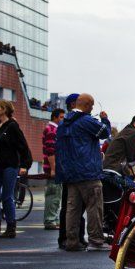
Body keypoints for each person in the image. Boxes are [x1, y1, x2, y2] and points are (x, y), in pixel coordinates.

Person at [56, 93, 111, 251]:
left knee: (73, 209)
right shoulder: (86, 121)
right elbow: (105, 132)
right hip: (88, 172)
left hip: (70, 173)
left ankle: (72, 241)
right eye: (91, 106)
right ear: (86, 105)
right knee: (94, 207)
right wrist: (105, 119)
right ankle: (96, 240)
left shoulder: (64, 123)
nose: (92, 108)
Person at [0, 100, 33, 238]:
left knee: (7, 196)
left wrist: (25, 165)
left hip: (10, 165)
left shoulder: (12, 126)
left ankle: (11, 227)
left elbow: (23, 146)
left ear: (5, 109)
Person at [57, 93, 86, 250]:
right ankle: (68, 237)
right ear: (74, 104)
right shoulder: (71, 122)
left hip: (71, 170)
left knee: (74, 207)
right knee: (72, 207)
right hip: (73, 170)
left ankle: (73, 237)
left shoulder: (67, 122)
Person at [42, 108, 65, 230]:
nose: (63, 119)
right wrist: (53, 169)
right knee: (53, 195)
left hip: (55, 167)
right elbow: (50, 151)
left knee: (56, 195)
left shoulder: (53, 129)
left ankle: (53, 219)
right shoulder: (52, 130)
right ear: (55, 117)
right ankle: (50, 220)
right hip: (54, 167)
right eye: (61, 117)